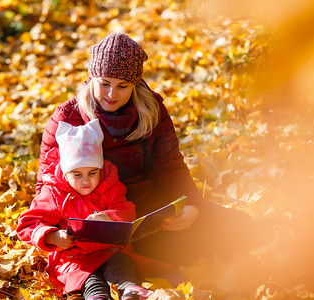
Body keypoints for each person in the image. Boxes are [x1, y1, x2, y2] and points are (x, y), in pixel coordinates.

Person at [37, 32, 270, 268]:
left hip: (156, 212)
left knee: (237, 227)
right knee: (192, 255)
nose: (111, 94)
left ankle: (282, 246)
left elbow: (171, 165)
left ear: (135, 84)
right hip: (104, 225)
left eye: (122, 86)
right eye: (104, 83)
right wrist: (60, 233)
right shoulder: (68, 117)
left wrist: (191, 205)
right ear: (92, 78)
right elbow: (47, 183)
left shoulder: (152, 108)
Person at [17, 119, 160, 299]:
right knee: (90, 278)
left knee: (121, 265)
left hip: (110, 249)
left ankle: (130, 289)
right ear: (66, 172)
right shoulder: (54, 192)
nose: (86, 181)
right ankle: (97, 296)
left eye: (92, 173)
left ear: (100, 168)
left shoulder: (109, 185)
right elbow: (27, 223)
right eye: (77, 175)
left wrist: (110, 217)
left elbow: (126, 208)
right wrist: (51, 235)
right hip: (75, 258)